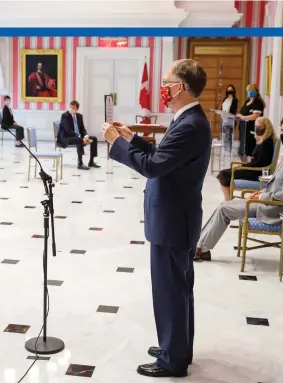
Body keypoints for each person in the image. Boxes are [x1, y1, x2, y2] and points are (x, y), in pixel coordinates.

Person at [102, 59, 210, 378]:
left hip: (174, 220)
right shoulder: (188, 119)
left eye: (167, 81)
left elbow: (152, 167)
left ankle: (172, 360)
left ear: (182, 87)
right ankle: (177, 347)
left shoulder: (190, 123)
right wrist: (132, 138)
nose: (163, 86)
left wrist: (116, 145)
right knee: (178, 290)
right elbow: (163, 156)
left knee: (170, 292)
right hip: (176, 217)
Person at [196, 115, 283, 262]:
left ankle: (201, 248)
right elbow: (278, 183)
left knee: (224, 210)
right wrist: (261, 192)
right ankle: (200, 245)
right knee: (224, 205)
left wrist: (261, 197)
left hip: (274, 209)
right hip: (267, 201)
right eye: (281, 130)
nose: (282, 134)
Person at [216, 117, 276, 201]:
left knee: (224, 174)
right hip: (252, 169)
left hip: (257, 173)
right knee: (224, 174)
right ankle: (228, 200)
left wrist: (242, 165)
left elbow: (260, 163)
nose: (257, 128)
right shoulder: (262, 140)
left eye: (259, 126)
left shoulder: (267, 142)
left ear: (267, 127)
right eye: (256, 126)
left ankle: (227, 201)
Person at [58, 100, 100, 170]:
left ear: (77, 109)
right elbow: (68, 130)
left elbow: (82, 128)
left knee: (94, 139)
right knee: (79, 140)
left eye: (73, 108)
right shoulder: (65, 116)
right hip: (66, 137)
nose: (71, 109)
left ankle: (91, 161)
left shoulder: (79, 116)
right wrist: (80, 137)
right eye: (70, 107)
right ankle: (80, 163)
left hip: (78, 136)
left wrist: (86, 135)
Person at [236, 83, 265, 159]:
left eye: (252, 90)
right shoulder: (247, 101)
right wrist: (239, 115)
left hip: (251, 130)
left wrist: (243, 117)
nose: (250, 92)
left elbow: (255, 116)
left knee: (249, 151)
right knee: (241, 151)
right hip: (243, 129)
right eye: (248, 90)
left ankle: (248, 165)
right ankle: (243, 163)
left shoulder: (258, 102)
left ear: (256, 92)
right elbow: (242, 112)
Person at [220, 84, 238, 153]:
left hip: (230, 121)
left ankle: (229, 151)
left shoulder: (235, 100)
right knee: (224, 135)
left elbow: (234, 111)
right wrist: (222, 114)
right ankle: (225, 150)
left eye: (231, 90)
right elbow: (221, 109)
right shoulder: (225, 99)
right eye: (228, 90)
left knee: (229, 136)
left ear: (233, 91)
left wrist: (228, 115)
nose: (229, 92)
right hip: (224, 120)